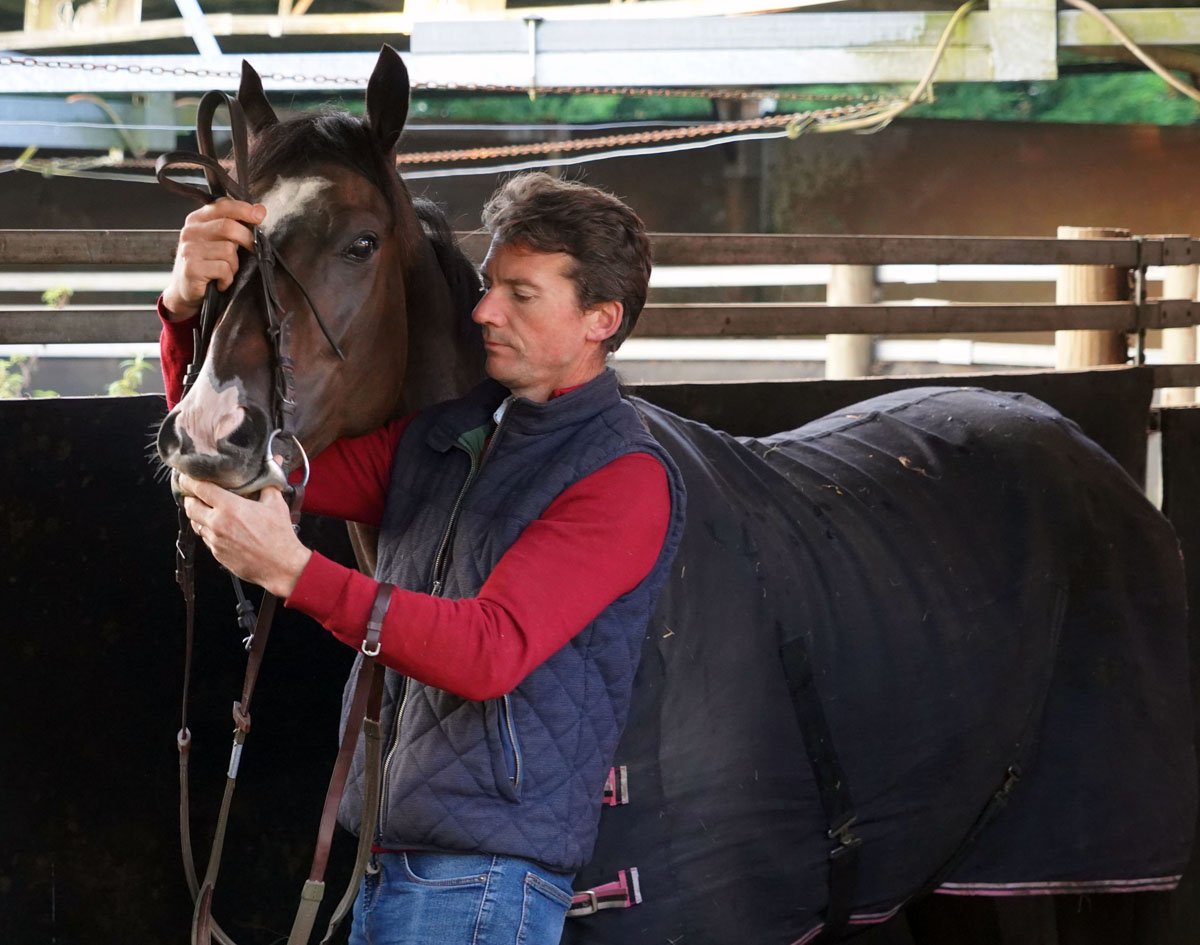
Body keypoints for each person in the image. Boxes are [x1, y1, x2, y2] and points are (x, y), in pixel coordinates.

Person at [159, 172, 686, 945]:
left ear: (600, 320)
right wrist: (182, 311)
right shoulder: (446, 434)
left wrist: (294, 573)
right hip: (389, 857)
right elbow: (231, 458)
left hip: (486, 877)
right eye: (489, 284)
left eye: (521, 294)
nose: (484, 310)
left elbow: (489, 650)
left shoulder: (624, 477)